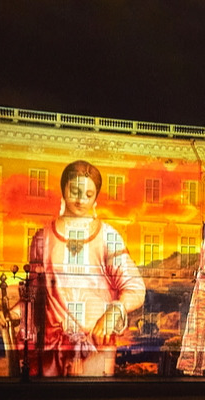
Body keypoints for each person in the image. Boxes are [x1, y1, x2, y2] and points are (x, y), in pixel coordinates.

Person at [24, 160, 145, 376]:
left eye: (89, 195)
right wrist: (16, 313)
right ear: (64, 188)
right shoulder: (43, 239)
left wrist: (114, 311)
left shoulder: (109, 237)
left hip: (96, 347)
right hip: (53, 348)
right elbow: (33, 294)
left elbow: (135, 287)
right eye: (75, 191)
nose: (81, 200)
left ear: (96, 197)